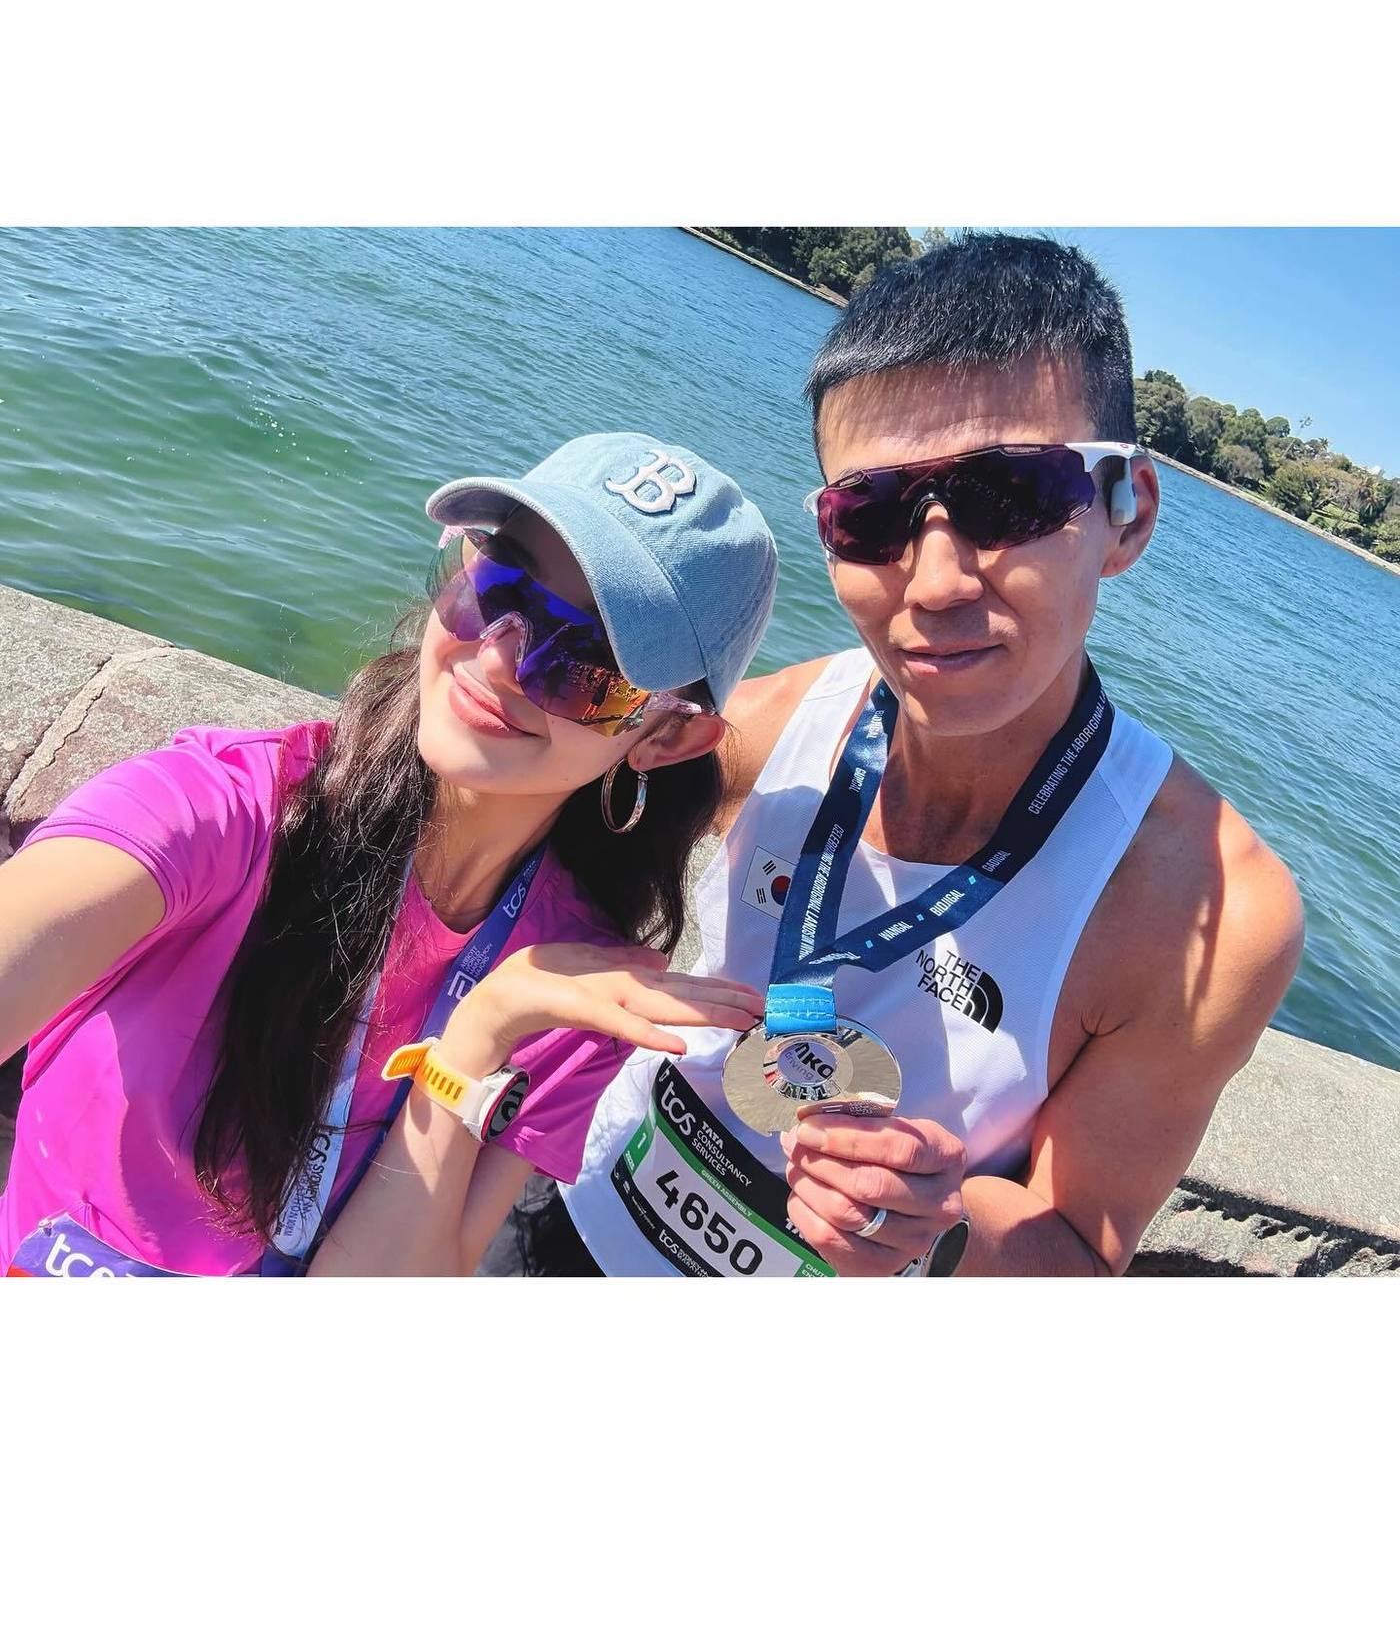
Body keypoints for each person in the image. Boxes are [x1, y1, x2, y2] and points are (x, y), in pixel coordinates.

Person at [543, 231, 1306, 1277]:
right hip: (574, 1208)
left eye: (1009, 497)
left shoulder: (1206, 910)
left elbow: (1080, 1247)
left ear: (1125, 514)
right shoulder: (772, 724)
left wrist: (937, 1224)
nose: (935, 582)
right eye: (870, 514)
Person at [0, 432, 774, 1277]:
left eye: (585, 662)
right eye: (497, 584)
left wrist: (475, 1043)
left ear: (666, 738)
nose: (499, 656)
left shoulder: (572, 994)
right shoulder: (219, 812)